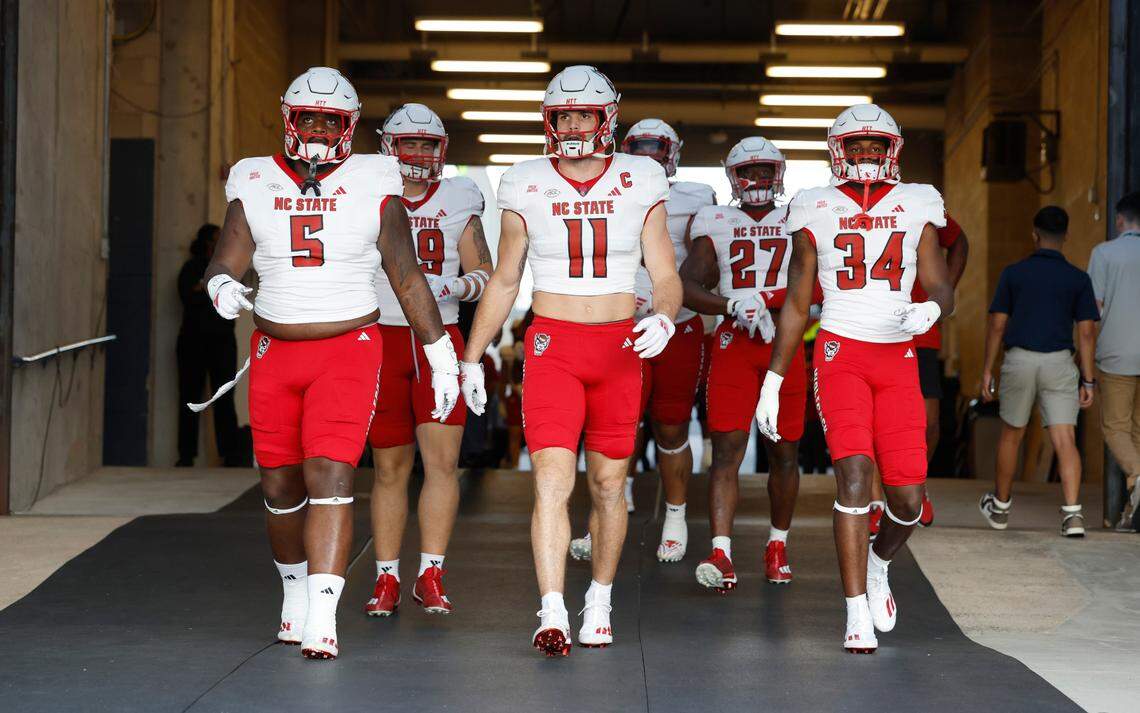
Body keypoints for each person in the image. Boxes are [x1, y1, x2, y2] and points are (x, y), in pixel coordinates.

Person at [202, 67, 459, 660]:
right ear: (290, 119)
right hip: (273, 348)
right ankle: (294, 591)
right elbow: (225, 259)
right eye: (309, 117)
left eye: (331, 120)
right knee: (278, 483)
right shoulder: (255, 178)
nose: (318, 128)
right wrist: (220, 286)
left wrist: (440, 353)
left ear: (350, 126)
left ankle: (323, 612)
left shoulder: (375, 178)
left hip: (348, 345)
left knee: (332, 474)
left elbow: (406, 275)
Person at [458, 65, 680, 656]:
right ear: (550, 121)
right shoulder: (526, 181)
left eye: (585, 113)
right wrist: (473, 356)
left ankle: (599, 601)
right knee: (551, 483)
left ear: (606, 118)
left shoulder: (640, 177)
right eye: (565, 115)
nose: (575, 124)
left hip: (618, 345)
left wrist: (662, 314)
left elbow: (664, 272)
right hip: (553, 345)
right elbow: (506, 279)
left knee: (609, 486)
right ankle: (552, 609)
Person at [756, 104, 955, 653]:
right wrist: (774, 377)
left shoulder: (918, 203)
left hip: (897, 356)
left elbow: (940, 284)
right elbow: (798, 302)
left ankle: (879, 565)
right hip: (840, 350)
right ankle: (854, 612)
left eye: (875, 147)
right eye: (856, 147)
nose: (866, 157)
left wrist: (932, 311)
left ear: (892, 151)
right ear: (837, 152)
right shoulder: (813, 206)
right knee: (854, 476)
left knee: (909, 498)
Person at [363, 104, 493, 618]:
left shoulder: (460, 196)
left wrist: (458, 284)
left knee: (442, 464)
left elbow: (486, 268)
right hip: (381, 339)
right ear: (387, 147)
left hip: (439, 339)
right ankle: (387, 577)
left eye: (427, 144)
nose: (417, 154)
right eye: (408, 143)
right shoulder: (368, 190)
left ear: (442, 151)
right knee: (389, 468)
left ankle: (430, 573)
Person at [568, 118, 716, 563]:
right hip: (623, 323)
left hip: (677, 325)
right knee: (616, 425)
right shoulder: (610, 187)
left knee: (671, 426)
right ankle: (604, 516)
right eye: (642, 148)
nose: (650, 158)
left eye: (659, 149)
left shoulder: (697, 198)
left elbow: (706, 265)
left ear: (675, 153)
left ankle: (674, 515)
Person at [679, 137, 805, 589]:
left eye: (765, 171)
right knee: (727, 450)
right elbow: (686, 284)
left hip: (784, 339)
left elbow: (822, 283)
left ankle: (777, 543)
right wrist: (732, 304)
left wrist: (767, 299)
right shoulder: (714, 219)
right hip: (736, 339)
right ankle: (721, 551)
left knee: (784, 451)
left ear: (780, 173)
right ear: (732, 177)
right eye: (747, 172)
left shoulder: (800, 215)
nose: (756, 180)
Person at [979, 206, 1099, 537]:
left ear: (1035, 235)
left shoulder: (1014, 274)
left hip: (1019, 360)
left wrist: (988, 370)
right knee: (1064, 438)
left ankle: (1001, 509)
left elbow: (997, 325)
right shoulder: (1078, 279)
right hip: (1060, 362)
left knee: (1012, 435)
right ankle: (1073, 516)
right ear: (1066, 237)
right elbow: (1087, 333)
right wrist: (1088, 379)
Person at [868, 214, 969, 535]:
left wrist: (943, 293)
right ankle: (875, 504)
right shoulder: (854, 206)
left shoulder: (919, 205)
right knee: (871, 421)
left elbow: (959, 241)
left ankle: (919, 486)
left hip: (920, 330)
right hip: (876, 329)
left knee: (930, 422)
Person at [1088, 191, 1140, 530]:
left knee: (1115, 428)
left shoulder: (1105, 253)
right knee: (1137, 431)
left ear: (1120, 219)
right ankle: (1131, 512)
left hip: (1116, 354)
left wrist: (1084, 357)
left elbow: (1096, 309)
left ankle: (1138, 476)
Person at [176, 223, 240, 467]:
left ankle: (230, 455)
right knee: (190, 397)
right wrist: (207, 286)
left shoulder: (228, 269)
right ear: (206, 243)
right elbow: (187, 294)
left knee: (224, 396)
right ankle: (186, 455)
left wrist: (206, 286)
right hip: (193, 342)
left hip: (222, 341)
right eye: (215, 239)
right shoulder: (191, 267)